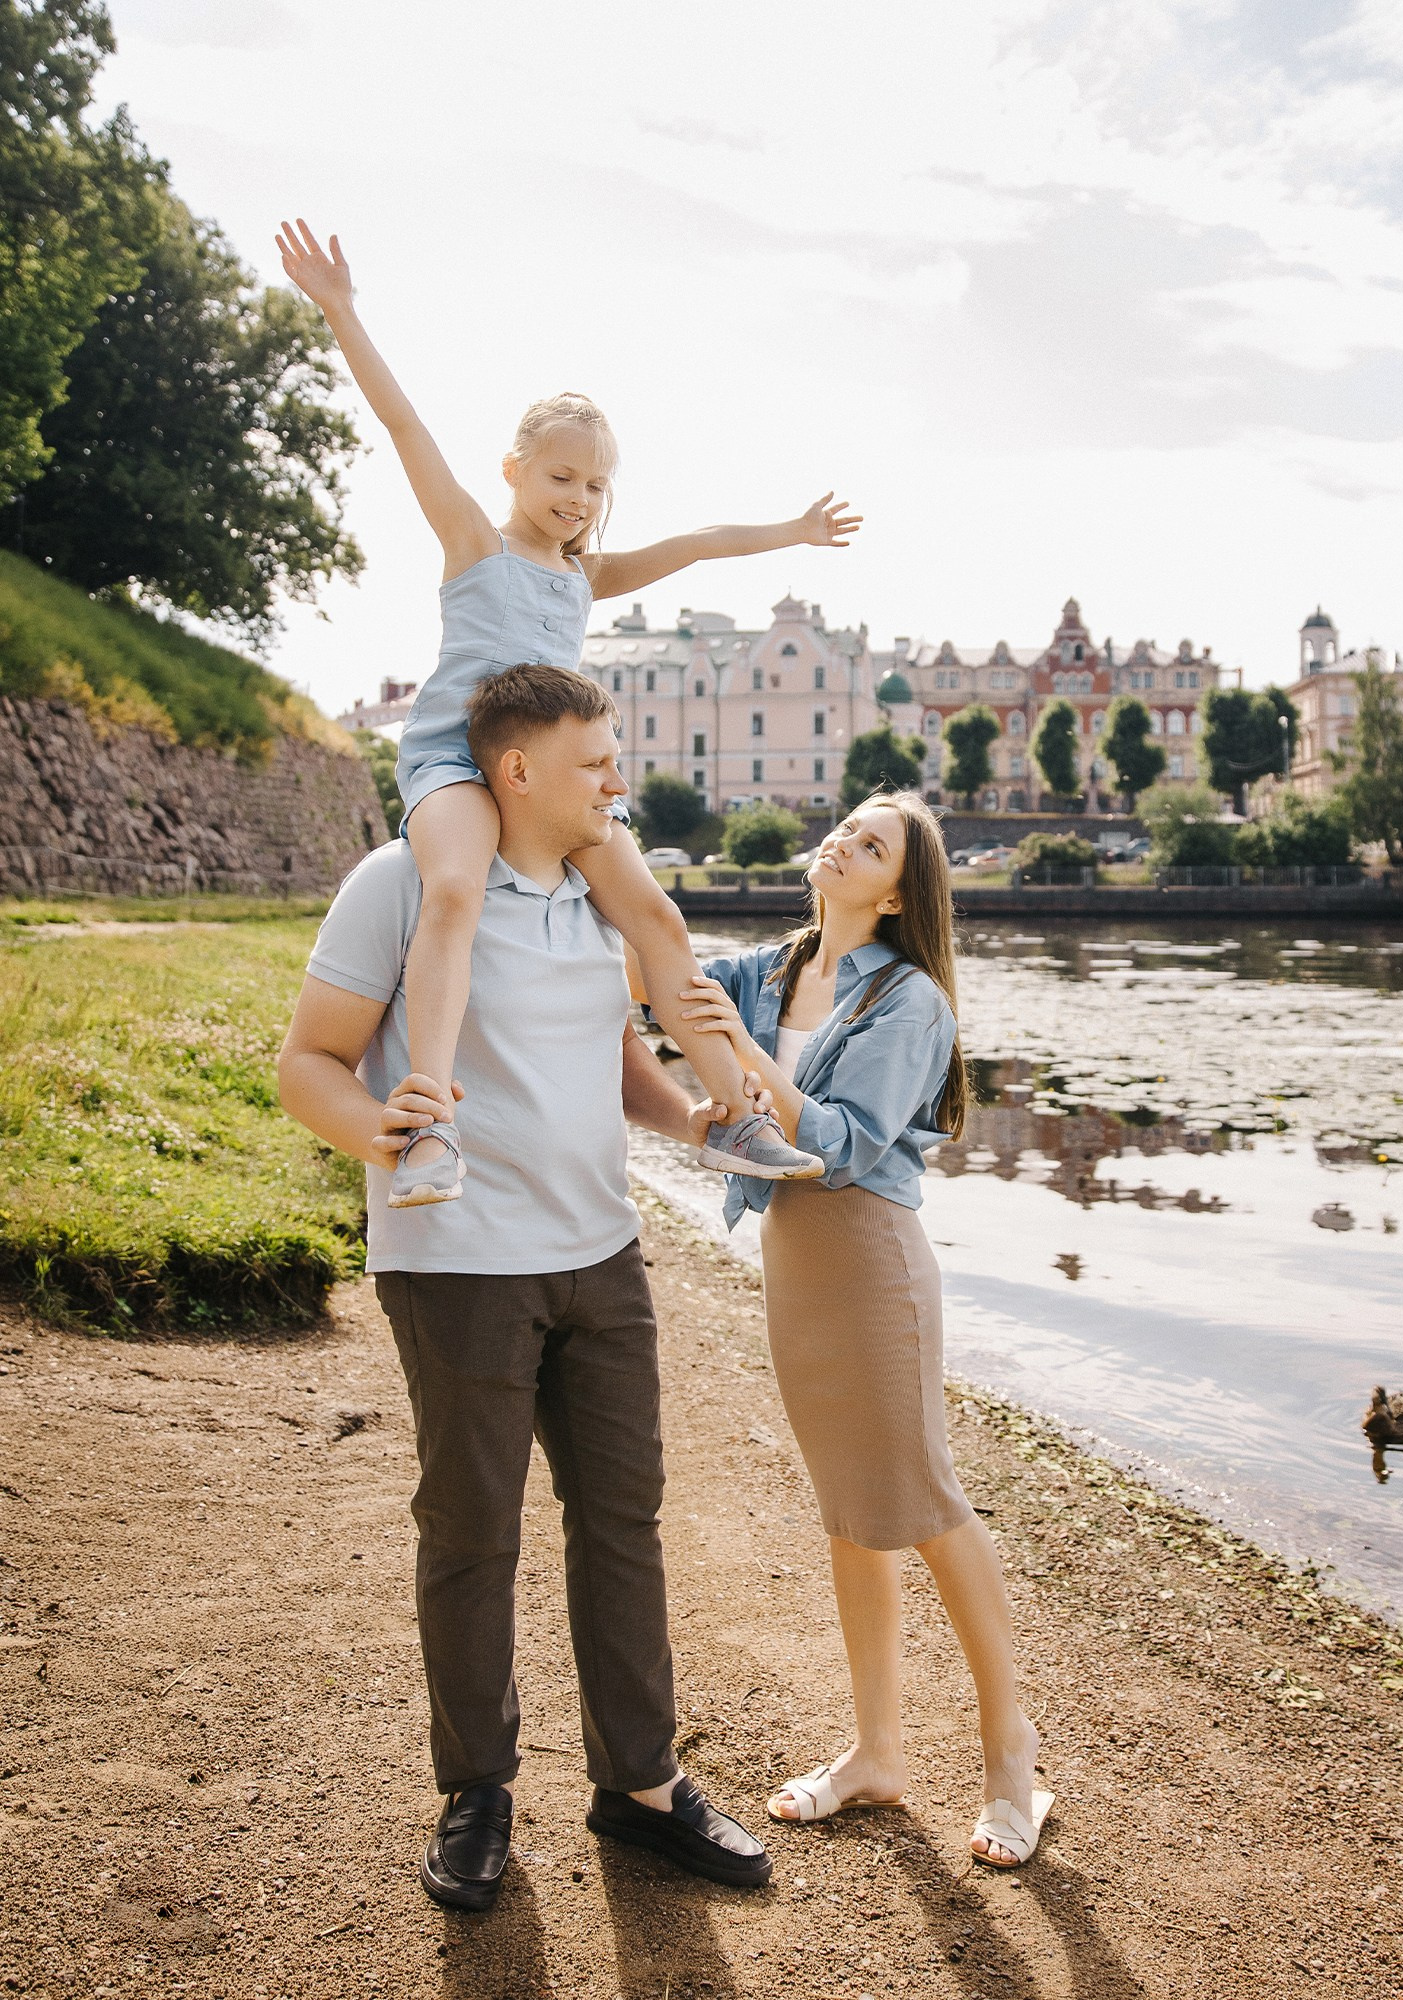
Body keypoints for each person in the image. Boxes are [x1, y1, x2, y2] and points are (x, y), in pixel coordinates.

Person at [278, 663, 772, 1908]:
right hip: (457, 1268)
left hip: (600, 1255)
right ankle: (477, 1790)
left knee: (624, 1520)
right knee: (470, 1532)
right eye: (598, 758)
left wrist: (700, 1125)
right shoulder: (404, 886)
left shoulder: (599, 897)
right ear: (516, 771)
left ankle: (641, 1783)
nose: (620, 777)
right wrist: (378, 1133)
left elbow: (609, 1062)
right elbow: (309, 1062)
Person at [275, 217, 858, 1204]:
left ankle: (735, 1116)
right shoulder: (473, 541)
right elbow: (405, 426)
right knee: (454, 889)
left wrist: (792, 532)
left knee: (657, 917)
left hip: (561, 780)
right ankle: (430, 1126)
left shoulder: (585, 575)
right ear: (513, 470)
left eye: (594, 485)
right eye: (559, 477)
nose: (579, 498)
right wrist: (340, 309)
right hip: (461, 760)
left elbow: (699, 542)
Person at [673, 792, 1054, 1868]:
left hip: (872, 1261)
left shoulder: (912, 999)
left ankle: (1009, 1754)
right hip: (794, 1262)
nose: (844, 836)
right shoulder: (773, 967)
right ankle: (877, 1754)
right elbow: (676, 988)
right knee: (850, 1510)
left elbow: (841, 1140)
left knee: (925, 1498)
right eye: (847, 823)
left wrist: (745, 1070)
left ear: (895, 890)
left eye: (872, 841)